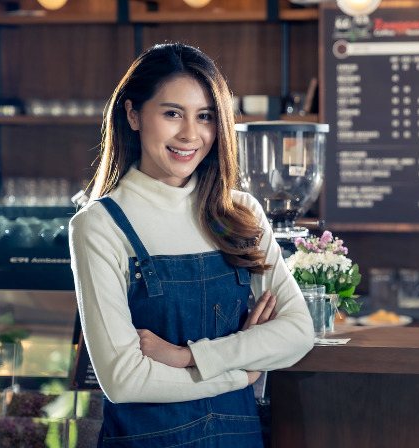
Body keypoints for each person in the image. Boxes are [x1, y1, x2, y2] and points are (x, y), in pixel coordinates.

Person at [69, 42, 314, 447]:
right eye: (172, 114)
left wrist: (188, 358)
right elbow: (124, 380)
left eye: (205, 117)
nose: (191, 134)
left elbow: (298, 331)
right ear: (132, 114)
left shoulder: (241, 214)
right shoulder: (99, 226)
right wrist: (243, 373)